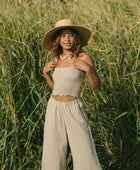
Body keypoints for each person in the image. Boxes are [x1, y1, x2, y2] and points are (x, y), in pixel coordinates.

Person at [42, 19, 102, 170]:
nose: (67, 39)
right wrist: (46, 74)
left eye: (70, 35)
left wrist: (89, 70)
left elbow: (96, 87)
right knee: (53, 151)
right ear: (58, 39)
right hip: (54, 107)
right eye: (63, 36)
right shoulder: (55, 60)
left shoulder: (83, 57)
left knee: (84, 151)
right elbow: (57, 88)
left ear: (76, 38)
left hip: (74, 108)